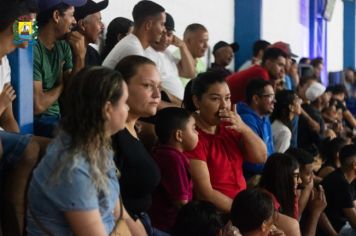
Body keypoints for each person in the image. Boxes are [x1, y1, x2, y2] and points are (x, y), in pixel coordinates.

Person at [27, 67, 146, 235]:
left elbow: (121, 213)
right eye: (125, 102)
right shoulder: (73, 169)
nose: (127, 109)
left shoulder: (96, 146)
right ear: (107, 109)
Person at [183, 71, 267, 213]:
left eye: (227, 98)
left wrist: (244, 128)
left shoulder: (230, 126)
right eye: (215, 99)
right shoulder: (192, 136)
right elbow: (205, 193)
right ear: (197, 101)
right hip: (218, 213)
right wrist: (243, 213)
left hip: (242, 203)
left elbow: (261, 157)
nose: (224, 106)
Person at [0, 0, 50, 234]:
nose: (34, 32)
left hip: (3, 137)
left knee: (54, 147)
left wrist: (21, 144)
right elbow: (3, 105)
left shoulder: (4, 64)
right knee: (29, 149)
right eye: (33, 26)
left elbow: (7, 118)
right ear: (20, 24)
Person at [113, 56, 169, 236]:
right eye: (147, 86)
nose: (157, 95)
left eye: (158, 87)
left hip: (143, 222)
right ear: (122, 87)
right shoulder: (112, 135)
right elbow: (110, 205)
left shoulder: (134, 128)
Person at [34, 0, 87, 137]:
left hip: (58, 117)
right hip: (39, 121)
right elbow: (37, 106)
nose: (75, 21)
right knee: (80, 138)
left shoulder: (63, 45)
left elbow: (75, 93)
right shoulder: (30, 45)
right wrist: (63, 84)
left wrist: (80, 56)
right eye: (72, 15)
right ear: (56, 15)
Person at [149, 107, 198, 231]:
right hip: (167, 226)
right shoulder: (172, 159)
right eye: (193, 129)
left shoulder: (163, 151)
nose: (197, 133)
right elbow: (181, 202)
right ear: (179, 135)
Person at [146, 13, 195, 105]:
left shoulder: (166, 53)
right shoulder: (147, 53)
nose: (165, 39)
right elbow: (158, 91)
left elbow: (190, 73)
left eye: (169, 34)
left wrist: (182, 46)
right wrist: (183, 106)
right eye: (161, 33)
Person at [102, 0, 165, 68]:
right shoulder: (133, 49)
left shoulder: (133, 43)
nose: (164, 30)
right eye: (162, 24)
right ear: (148, 25)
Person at [237, 79, 275, 178]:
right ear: (256, 99)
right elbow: (251, 162)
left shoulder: (265, 117)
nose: (274, 101)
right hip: (252, 177)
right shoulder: (246, 120)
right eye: (270, 96)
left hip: (265, 172)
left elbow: (271, 151)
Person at [259, 153, 302, 236]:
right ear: (282, 178)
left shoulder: (284, 198)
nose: (300, 181)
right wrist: (315, 213)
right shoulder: (268, 208)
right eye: (295, 176)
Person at [321, 144, 356, 235]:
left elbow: (354, 206)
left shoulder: (349, 180)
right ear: (354, 165)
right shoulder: (340, 183)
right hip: (338, 229)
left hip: (345, 225)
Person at [74, 0, 108, 66]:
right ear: (82, 24)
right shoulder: (65, 52)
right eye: (99, 21)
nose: (103, 26)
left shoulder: (94, 54)